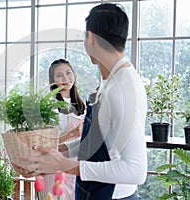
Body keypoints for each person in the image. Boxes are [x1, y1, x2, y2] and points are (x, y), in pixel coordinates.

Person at [18, 3, 148, 200]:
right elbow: (97, 141)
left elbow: (136, 170)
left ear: (91, 37)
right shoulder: (112, 82)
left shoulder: (122, 90)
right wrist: (58, 151)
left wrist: (64, 165)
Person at [43, 58, 85, 199]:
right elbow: (45, 142)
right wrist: (71, 133)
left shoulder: (81, 104)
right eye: (59, 75)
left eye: (68, 73)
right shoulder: (50, 105)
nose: (65, 78)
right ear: (53, 80)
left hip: (75, 163)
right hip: (55, 163)